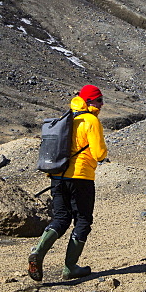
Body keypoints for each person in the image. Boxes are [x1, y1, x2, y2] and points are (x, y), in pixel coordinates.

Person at [28, 84, 108, 281]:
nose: (102, 104)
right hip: (81, 177)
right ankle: (70, 267)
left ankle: (38, 252)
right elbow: (99, 154)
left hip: (57, 176)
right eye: (99, 100)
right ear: (89, 101)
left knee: (61, 219)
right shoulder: (91, 121)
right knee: (82, 220)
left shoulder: (67, 117)